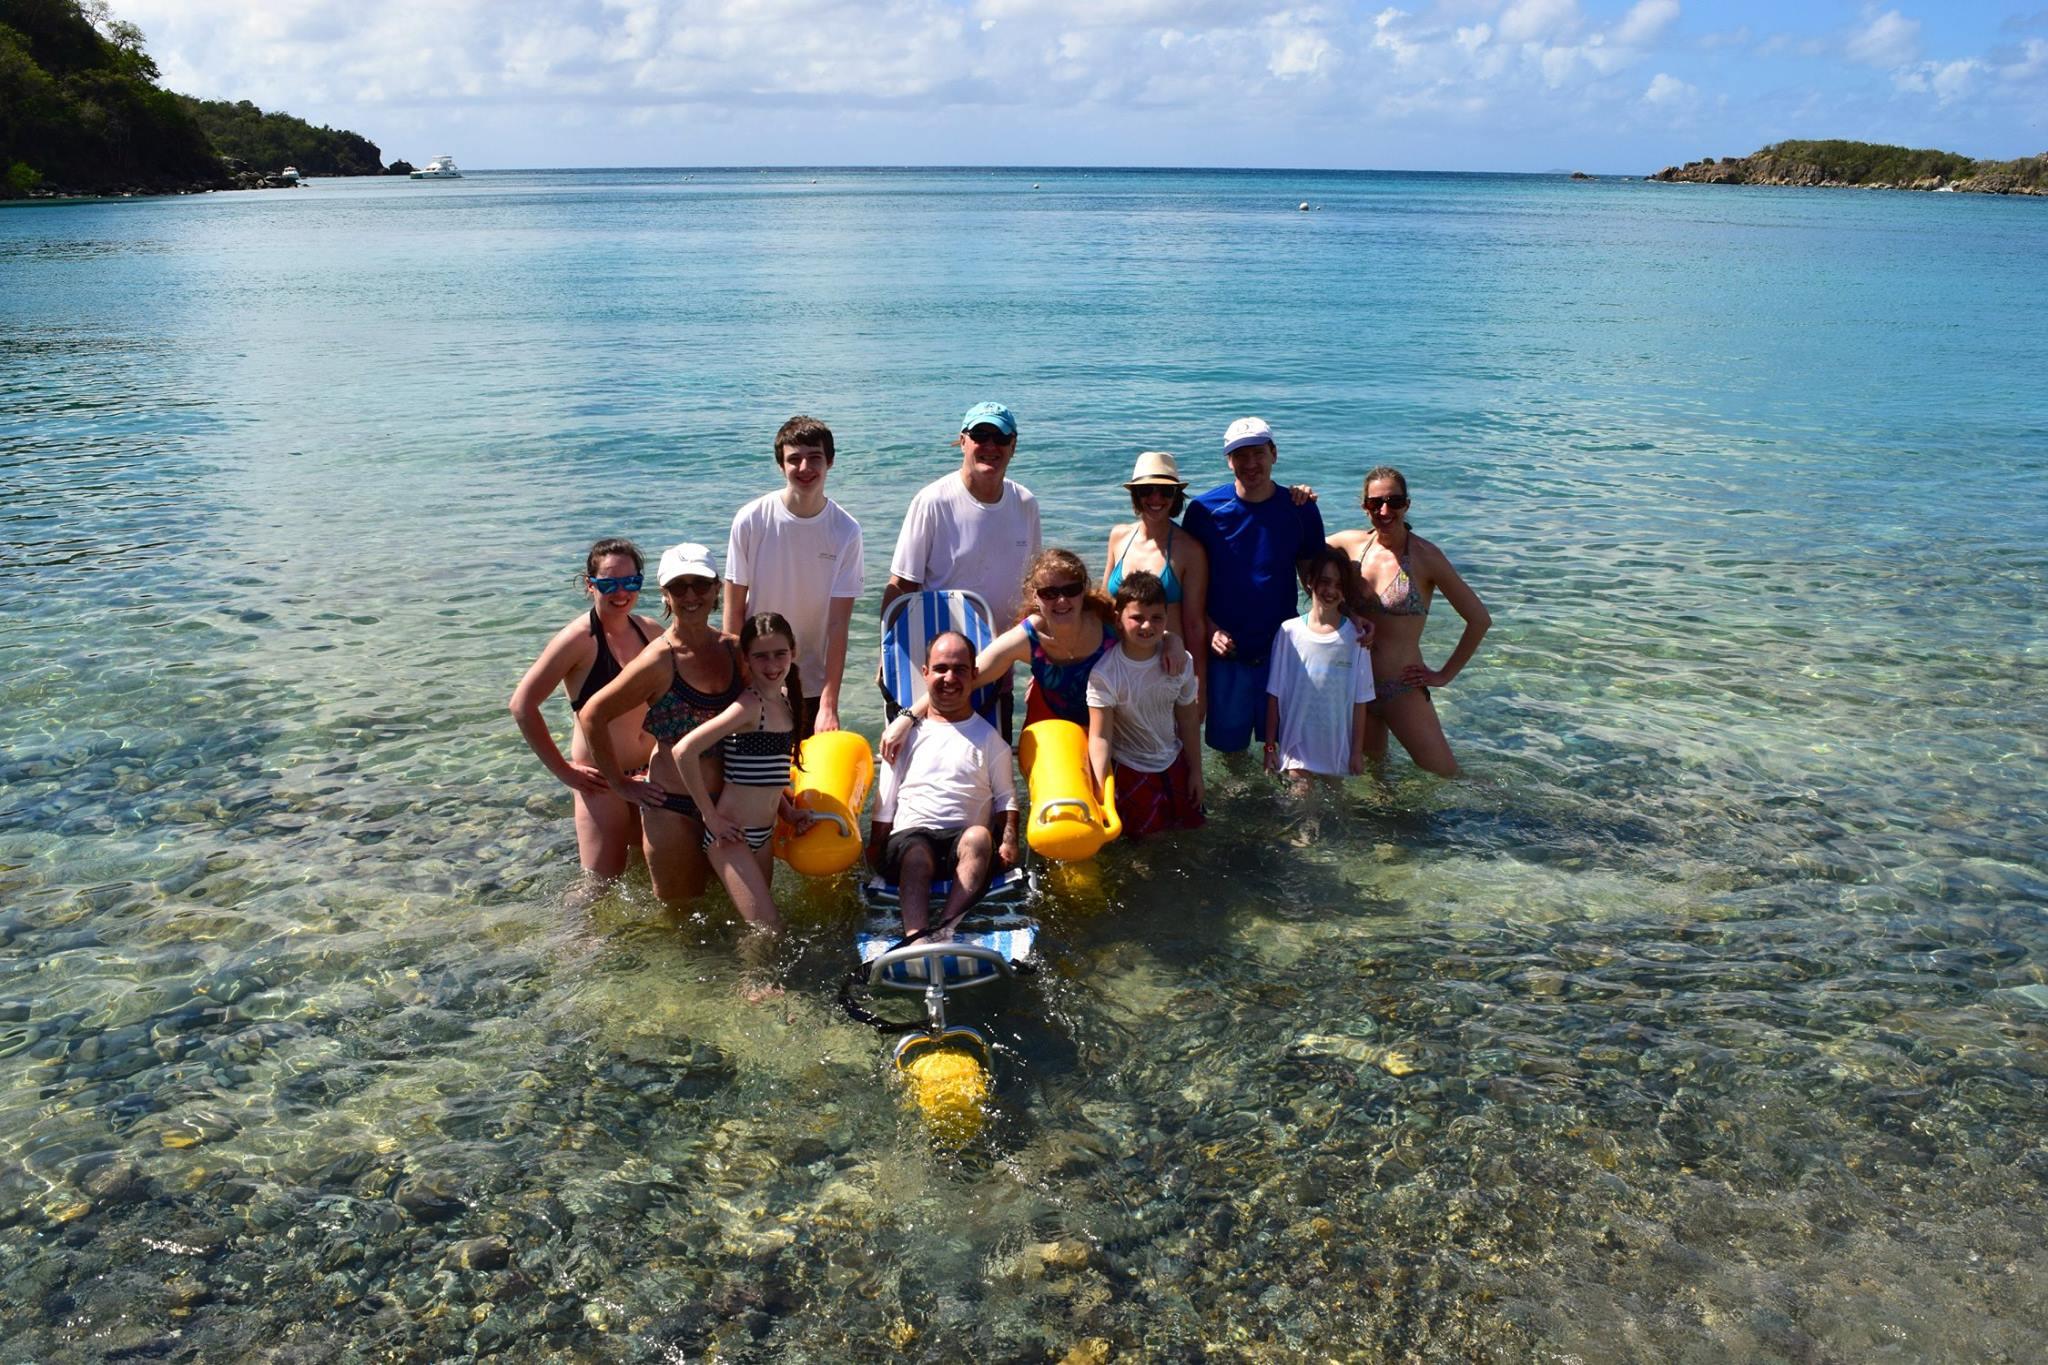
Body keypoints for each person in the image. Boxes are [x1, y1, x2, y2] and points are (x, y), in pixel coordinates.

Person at [580, 543, 744, 904]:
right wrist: (619, 784)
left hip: (730, 804)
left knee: (731, 911)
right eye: (678, 587)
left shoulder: (734, 650)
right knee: (682, 920)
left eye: (700, 585)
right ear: (665, 596)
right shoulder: (659, 660)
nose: (690, 595)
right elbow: (593, 714)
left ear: (717, 589)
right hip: (672, 808)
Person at [882, 401, 1042, 736]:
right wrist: (887, 656)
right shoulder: (932, 501)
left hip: (997, 671)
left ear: (1014, 446)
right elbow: (901, 586)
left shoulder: (1025, 503)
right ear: (963, 441)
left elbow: (1033, 590)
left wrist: (1041, 664)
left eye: (1000, 438)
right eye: (981, 435)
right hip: (941, 674)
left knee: (987, 768)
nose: (990, 446)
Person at [509, 539, 662, 881]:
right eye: (609, 583)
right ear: (590, 584)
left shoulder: (650, 631)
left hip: (648, 775)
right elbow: (522, 705)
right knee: (599, 886)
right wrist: (564, 771)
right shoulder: (578, 639)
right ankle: (569, 938)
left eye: (631, 582)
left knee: (647, 876)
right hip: (600, 781)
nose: (621, 592)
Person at [1181, 417, 1333, 754]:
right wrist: (1209, 629)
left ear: (1274, 453)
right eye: (1240, 456)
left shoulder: (1301, 509)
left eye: (1258, 453)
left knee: (1282, 749)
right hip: (1225, 654)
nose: (1251, 464)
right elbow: (1189, 585)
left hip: (1281, 652)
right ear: (1228, 461)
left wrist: (1346, 624)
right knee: (1230, 755)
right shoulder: (1203, 511)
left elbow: (1316, 582)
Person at [1327, 465, 1490, 777]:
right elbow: (1301, 553)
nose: (1385, 510)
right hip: (1356, 687)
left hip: (1400, 689)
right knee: (1373, 782)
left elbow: (1479, 619)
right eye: (1375, 503)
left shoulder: (1425, 557)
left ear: (1407, 504)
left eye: (1394, 501)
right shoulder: (1349, 545)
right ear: (1364, 507)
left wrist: (1444, 675)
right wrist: (1342, 612)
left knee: (1447, 776)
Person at [867, 632, 1021, 937]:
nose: (949, 678)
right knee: (916, 854)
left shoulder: (991, 741)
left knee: (979, 837)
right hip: (910, 840)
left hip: (963, 846)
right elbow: (885, 803)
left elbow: (1006, 799)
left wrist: (1008, 841)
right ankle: (915, 937)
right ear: (925, 674)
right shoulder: (904, 737)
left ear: (974, 674)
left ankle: (945, 928)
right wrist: (875, 847)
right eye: (940, 669)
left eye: (960, 669)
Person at [668, 613, 813, 931]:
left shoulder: (787, 703)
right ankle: (754, 983)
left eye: (780, 654)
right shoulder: (750, 706)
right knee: (769, 928)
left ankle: (748, 977)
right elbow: (684, 751)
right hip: (731, 837)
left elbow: (765, 775)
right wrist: (711, 817)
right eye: (761, 656)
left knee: (753, 925)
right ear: (746, 658)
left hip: (762, 837)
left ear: (793, 652)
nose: (772, 665)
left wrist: (788, 812)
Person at [724, 415, 864, 739]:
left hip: (811, 683)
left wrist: (830, 703)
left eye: (814, 458)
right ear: (780, 465)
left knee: (807, 783)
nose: (804, 468)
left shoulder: (846, 530)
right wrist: (736, 682)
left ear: (830, 461)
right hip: (755, 677)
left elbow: (838, 625)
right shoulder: (751, 520)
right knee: (757, 780)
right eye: (794, 459)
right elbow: (732, 613)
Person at [1086, 571, 1205, 840]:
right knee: (1149, 845)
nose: (1146, 626)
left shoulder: (1180, 661)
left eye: (1156, 618)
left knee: (1193, 833)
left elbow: (1188, 720)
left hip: (1173, 761)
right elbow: (1100, 736)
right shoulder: (1106, 674)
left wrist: (1196, 772)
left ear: (1166, 619)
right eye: (1137, 617)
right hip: (1131, 768)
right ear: (1118, 619)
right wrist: (1102, 789)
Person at [1101, 451, 1210, 704]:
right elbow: (1104, 605)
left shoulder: (1189, 550)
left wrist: (1198, 685)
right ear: (1135, 495)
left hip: (1165, 666)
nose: (1155, 498)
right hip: (1117, 661)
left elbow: (1194, 624)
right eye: (1146, 490)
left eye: (1165, 491)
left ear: (1176, 497)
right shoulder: (1119, 536)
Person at [1264, 546, 1375, 784]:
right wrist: (1270, 747)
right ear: (1309, 582)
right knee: (1301, 812)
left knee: (1337, 815)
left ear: (1345, 592)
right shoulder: (1289, 632)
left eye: (1339, 585)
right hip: (1296, 749)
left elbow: (1360, 701)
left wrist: (1356, 752)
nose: (1331, 590)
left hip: (1336, 749)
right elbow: (1273, 694)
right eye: (1324, 581)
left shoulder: (1356, 638)